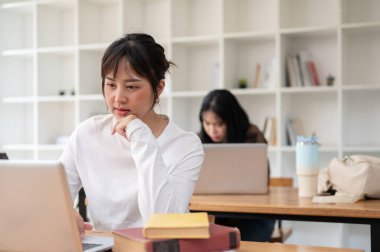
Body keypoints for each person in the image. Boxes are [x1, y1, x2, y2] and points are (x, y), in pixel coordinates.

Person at [60, 33, 204, 237]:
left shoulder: (185, 145)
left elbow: (163, 223)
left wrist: (140, 135)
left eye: (131, 87)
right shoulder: (86, 134)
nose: (118, 98)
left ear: (159, 88)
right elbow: (53, 198)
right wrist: (64, 213)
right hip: (105, 247)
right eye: (110, 85)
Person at [198, 89, 275, 242]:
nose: (212, 130)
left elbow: (262, 180)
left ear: (231, 120)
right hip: (213, 215)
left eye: (218, 124)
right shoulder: (198, 141)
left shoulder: (251, 135)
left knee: (234, 242)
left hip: (250, 216)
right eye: (207, 123)